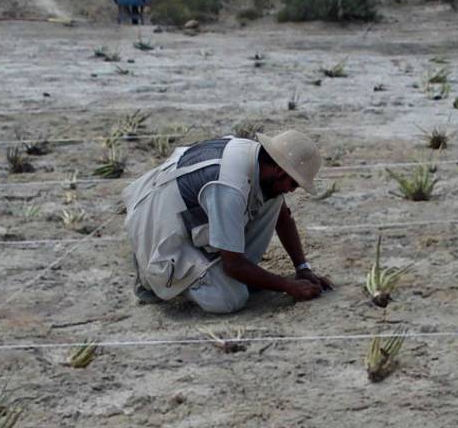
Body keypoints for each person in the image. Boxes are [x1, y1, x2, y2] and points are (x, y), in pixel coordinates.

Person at [123, 129, 332, 314]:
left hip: (181, 214)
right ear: (278, 170)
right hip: (157, 234)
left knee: (274, 200)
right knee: (231, 298)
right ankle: (151, 280)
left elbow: (282, 215)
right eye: (294, 182)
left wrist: (303, 267)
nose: (292, 189)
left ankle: (215, 270)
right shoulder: (229, 186)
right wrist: (287, 286)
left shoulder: (255, 160)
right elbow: (233, 266)